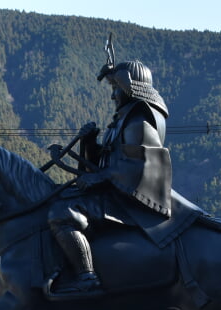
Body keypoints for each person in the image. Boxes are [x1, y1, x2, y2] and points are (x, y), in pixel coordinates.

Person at [47, 40, 172, 294]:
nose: (113, 94)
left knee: (61, 214)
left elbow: (139, 167)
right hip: (115, 191)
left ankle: (86, 277)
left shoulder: (139, 121)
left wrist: (100, 177)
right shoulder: (124, 120)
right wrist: (89, 141)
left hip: (128, 199)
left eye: (116, 88)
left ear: (130, 89)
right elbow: (105, 163)